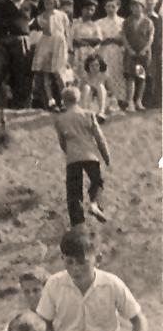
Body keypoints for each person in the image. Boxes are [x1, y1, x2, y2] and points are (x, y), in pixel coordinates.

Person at [54, 86, 112, 226]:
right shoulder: (88, 115)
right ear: (78, 99)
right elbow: (99, 138)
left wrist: (69, 153)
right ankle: (94, 203)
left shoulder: (60, 120)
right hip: (90, 155)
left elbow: (62, 143)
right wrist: (106, 157)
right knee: (97, 181)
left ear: (64, 100)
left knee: (74, 192)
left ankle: (78, 224)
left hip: (72, 158)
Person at [0, 0, 36, 109]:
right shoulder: (2, 4)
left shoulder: (30, 4)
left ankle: (21, 104)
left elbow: (39, 20)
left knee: (22, 73)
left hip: (23, 42)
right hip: (5, 42)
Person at [32, 0, 70, 111]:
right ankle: (51, 101)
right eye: (46, 2)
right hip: (46, 44)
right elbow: (48, 31)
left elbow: (67, 32)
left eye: (51, 2)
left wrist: (69, 48)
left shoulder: (62, 15)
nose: (48, 4)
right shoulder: (41, 17)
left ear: (55, 2)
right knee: (46, 73)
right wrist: (48, 16)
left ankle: (64, 100)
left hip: (59, 44)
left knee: (58, 73)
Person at [72, 0, 108, 120]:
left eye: (92, 10)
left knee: (94, 81)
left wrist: (83, 40)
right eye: (87, 9)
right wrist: (87, 41)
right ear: (82, 9)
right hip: (78, 55)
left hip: (90, 56)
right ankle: (82, 109)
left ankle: (100, 111)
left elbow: (97, 40)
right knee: (80, 81)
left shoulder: (94, 25)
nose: (89, 12)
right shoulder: (75, 23)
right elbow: (73, 40)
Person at [123, 0, 155, 112]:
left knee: (141, 76)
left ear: (143, 8)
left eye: (138, 6)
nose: (136, 9)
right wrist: (129, 49)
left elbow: (151, 38)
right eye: (133, 6)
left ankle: (139, 101)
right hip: (131, 53)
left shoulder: (148, 22)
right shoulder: (127, 21)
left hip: (143, 53)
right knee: (130, 76)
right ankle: (130, 102)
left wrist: (144, 50)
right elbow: (124, 36)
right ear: (131, 8)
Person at [96, 0, 127, 111]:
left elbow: (125, 38)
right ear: (104, 8)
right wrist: (106, 40)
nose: (110, 9)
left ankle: (121, 100)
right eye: (108, 6)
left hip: (118, 51)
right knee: (105, 74)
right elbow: (97, 39)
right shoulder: (99, 22)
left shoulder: (123, 22)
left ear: (118, 7)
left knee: (118, 74)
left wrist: (117, 40)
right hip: (104, 51)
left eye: (113, 6)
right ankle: (106, 102)